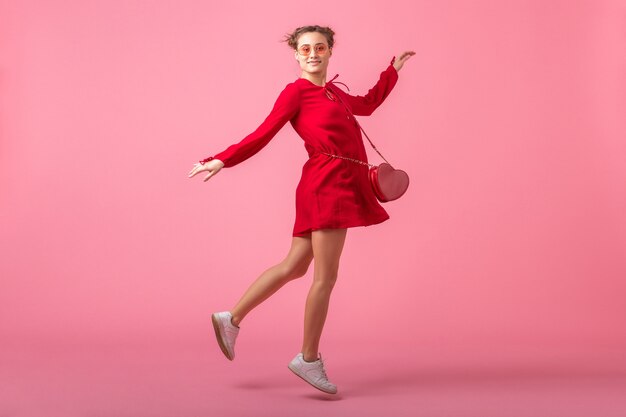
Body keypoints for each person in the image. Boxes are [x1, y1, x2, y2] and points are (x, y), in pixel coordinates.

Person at [188, 25, 415, 395]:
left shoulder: (334, 93)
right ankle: (308, 359)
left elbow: (368, 105)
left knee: (294, 265)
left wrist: (393, 71)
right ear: (296, 54)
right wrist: (221, 160)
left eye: (319, 47)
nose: (313, 53)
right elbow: (262, 133)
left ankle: (231, 318)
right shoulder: (296, 93)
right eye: (305, 48)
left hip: (331, 183)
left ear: (329, 52)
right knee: (325, 278)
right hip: (327, 186)